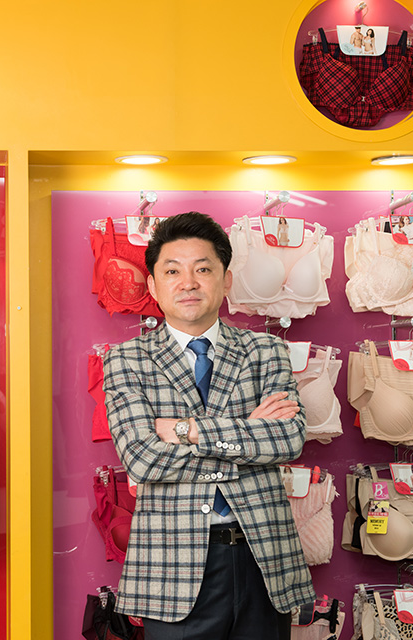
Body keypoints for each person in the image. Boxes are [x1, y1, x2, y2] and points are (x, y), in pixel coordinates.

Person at [103, 212, 314, 640]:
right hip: (171, 566)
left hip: (263, 560)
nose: (188, 282)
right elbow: (143, 460)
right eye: (172, 271)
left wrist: (187, 430)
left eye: (203, 269)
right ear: (153, 286)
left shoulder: (266, 350)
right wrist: (247, 432)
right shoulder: (126, 359)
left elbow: (289, 439)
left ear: (226, 280)